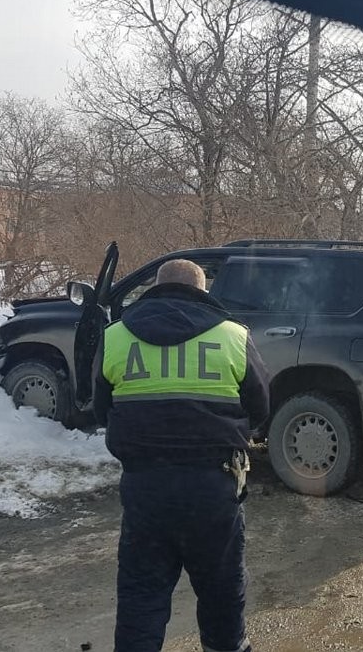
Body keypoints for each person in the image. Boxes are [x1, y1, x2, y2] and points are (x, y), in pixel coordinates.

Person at [94, 259, 270, 652]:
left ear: (154, 288)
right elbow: (260, 407)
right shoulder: (232, 336)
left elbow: (101, 409)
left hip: (145, 487)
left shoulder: (116, 336)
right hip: (214, 486)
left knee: (141, 596)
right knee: (221, 590)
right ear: (203, 292)